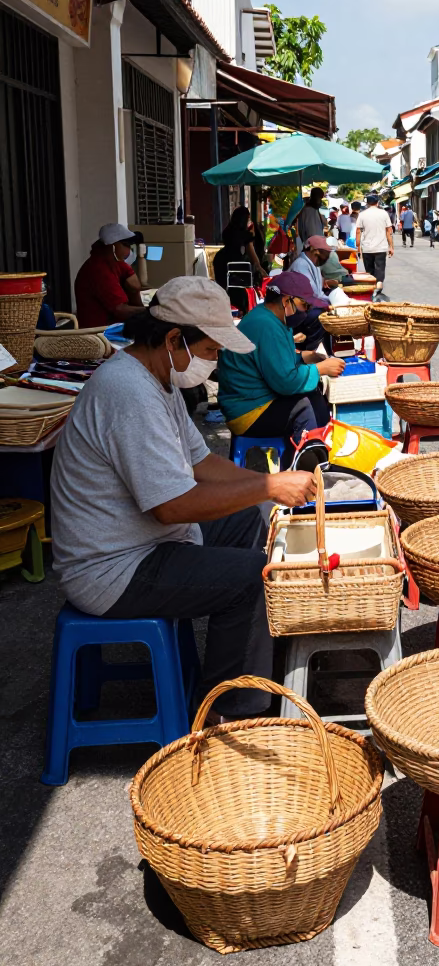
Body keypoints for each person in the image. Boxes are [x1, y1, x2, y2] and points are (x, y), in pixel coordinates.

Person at [50, 277, 316, 719]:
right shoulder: (128, 391)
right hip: (111, 567)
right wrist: (268, 487)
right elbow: (171, 505)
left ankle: (241, 652)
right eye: (210, 351)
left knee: (249, 520)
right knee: (254, 577)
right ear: (174, 339)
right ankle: (230, 711)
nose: (213, 363)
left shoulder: (158, 380)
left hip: (143, 540)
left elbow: (200, 463)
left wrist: (266, 488)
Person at [217, 269, 344, 458]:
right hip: (246, 411)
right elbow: (286, 382)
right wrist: (320, 369)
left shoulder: (270, 318)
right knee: (303, 406)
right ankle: (303, 467)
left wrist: (305, 357)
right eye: (304, 305)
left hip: (256, 400)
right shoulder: (265, 325)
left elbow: (273, 362)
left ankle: (319, 454)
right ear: (286, 301)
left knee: (315, 397)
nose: (306, 311)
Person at [74, 223, 145, 328]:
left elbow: (135, 285)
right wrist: (151, 311)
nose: (129, 250)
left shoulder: (114, 262)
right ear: (112, 246)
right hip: (100, 335)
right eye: (126, 245)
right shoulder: (98, 269)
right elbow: (120, 310)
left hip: (113, 328)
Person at [212, 206, 268, 316]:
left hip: (221, 261)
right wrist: (262, 270)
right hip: (238, 271)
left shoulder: (227, 232)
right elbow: (254, 258)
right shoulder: (246, 235)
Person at [356, 192, 393, 300]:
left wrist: (358, 246)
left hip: (367, 248)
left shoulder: (362, 214)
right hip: (381, 247)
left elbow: (358, 231)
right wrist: (391, 246)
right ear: (377, 202)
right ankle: (379, 285)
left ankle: (372, 289)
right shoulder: (383, 213)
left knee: (370, 270)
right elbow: (389, 231)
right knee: (380, 268)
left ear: (367, 203)